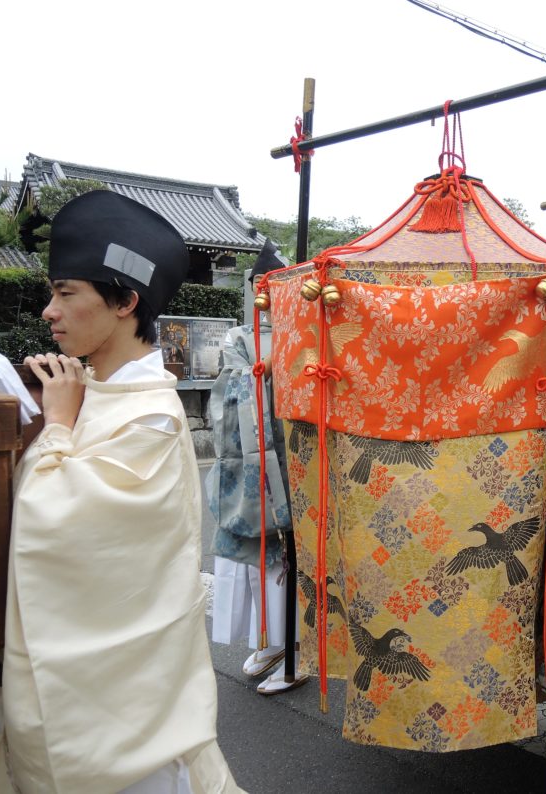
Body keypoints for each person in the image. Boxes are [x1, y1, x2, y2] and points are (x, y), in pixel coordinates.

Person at [0, 191, 243, 792]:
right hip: (106, 682)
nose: (49, 311)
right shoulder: (99, 391)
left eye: (67, 293)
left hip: (124, 698)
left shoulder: (149, 416)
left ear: (126, 302)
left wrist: (58, 426)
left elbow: (59, 524)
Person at [206, 239, 306, 695]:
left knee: (298, 555)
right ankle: (270, 640)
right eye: (259, 286)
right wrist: (258, 377)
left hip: (298, 454)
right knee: (257, 554)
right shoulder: (239, 337)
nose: (265, 295)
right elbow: (231, 390)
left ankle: (301, 649)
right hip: (253, 455)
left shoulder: (305, 332)